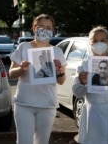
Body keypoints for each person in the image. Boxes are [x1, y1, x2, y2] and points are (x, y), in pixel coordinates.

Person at [9, 14, 67, 144]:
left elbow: (62, 81)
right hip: (24, 103)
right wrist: (21, 68)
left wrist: (57, 70)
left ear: (52, 30)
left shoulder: (57, 51)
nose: (45, 30)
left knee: (42, 141)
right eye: (41, 27)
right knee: (24, 141)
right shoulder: (23, 47)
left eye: (48, 27)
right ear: (34, 28)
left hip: (47, 104)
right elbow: (11, 74)